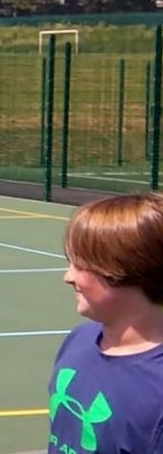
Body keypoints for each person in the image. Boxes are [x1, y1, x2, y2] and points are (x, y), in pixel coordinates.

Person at [47, 193, 163, 453]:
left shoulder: (156, 388)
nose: (68, 277)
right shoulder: (80, 340)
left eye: (81, 265)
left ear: (129, 269)